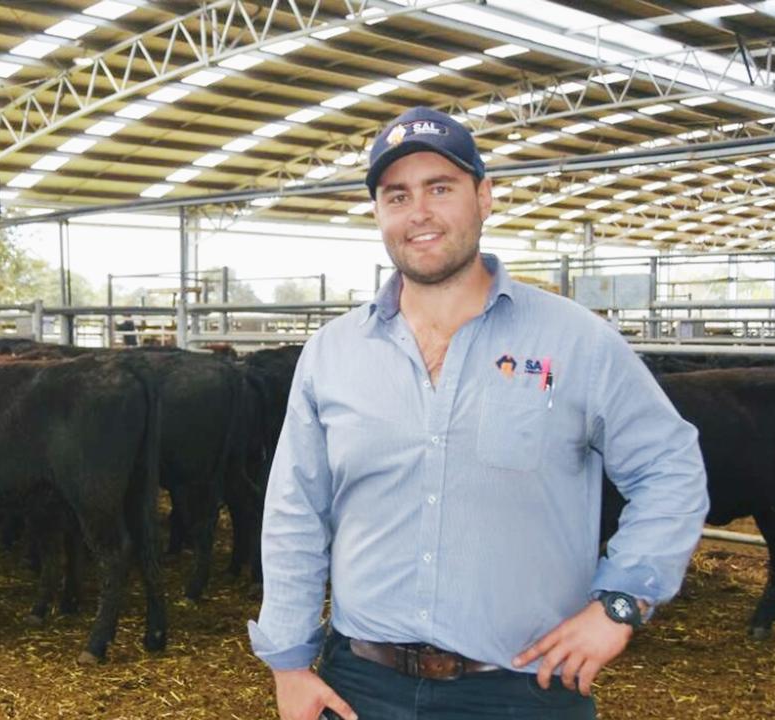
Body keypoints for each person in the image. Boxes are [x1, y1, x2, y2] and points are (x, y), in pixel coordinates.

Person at [247, 107, 709, 720]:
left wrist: (620, 602)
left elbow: (671, 468)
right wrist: (288, 663)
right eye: (397, 195)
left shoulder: (576, 340)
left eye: (441, 188)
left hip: (523, 688)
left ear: (484, 197)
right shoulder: (332, 354)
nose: (420, 214)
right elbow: (294, 512)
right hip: (360, 686)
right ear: (379, 213)